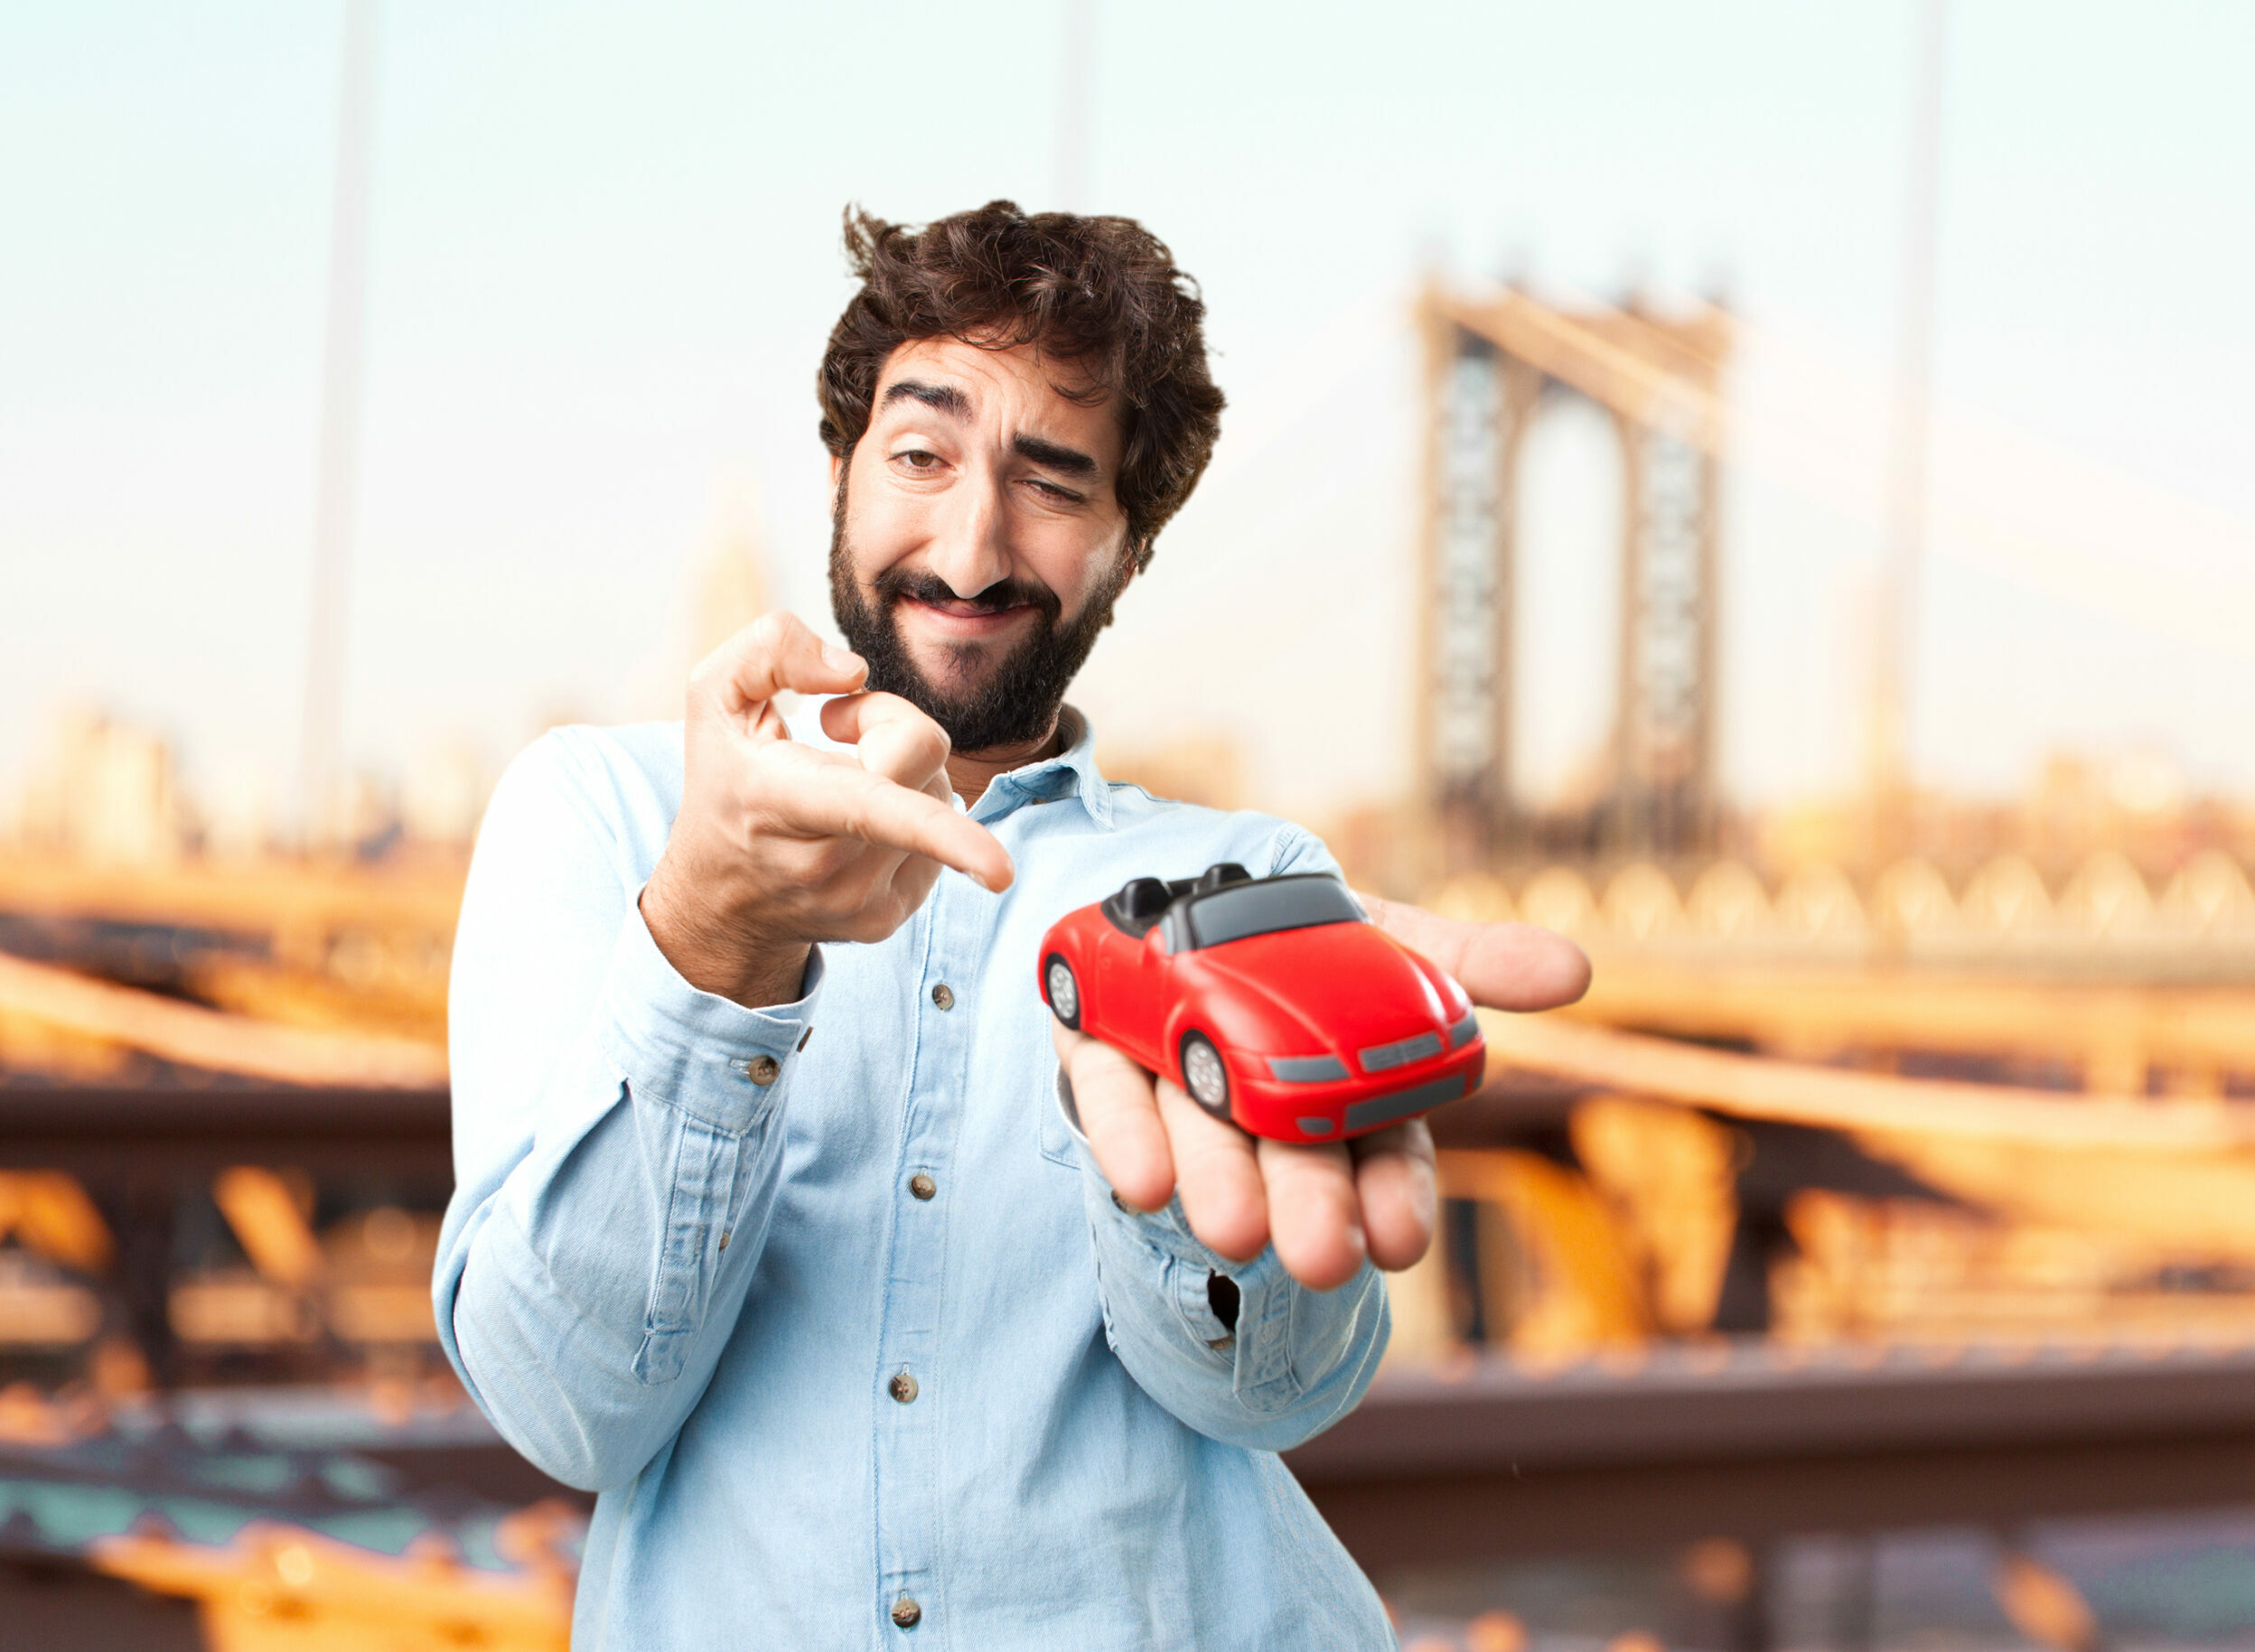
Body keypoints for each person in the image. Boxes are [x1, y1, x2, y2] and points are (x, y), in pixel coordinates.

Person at [435, 201, 1589, 1648]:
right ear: (841, 469)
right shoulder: (601, 817)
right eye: (921, 455)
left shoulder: (1239, 885)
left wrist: (1196, 1174)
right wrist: (713, 945)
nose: (974, 546)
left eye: (1054, 483)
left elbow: (1265, 1396)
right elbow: (569, 1406)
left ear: (1129, 544)